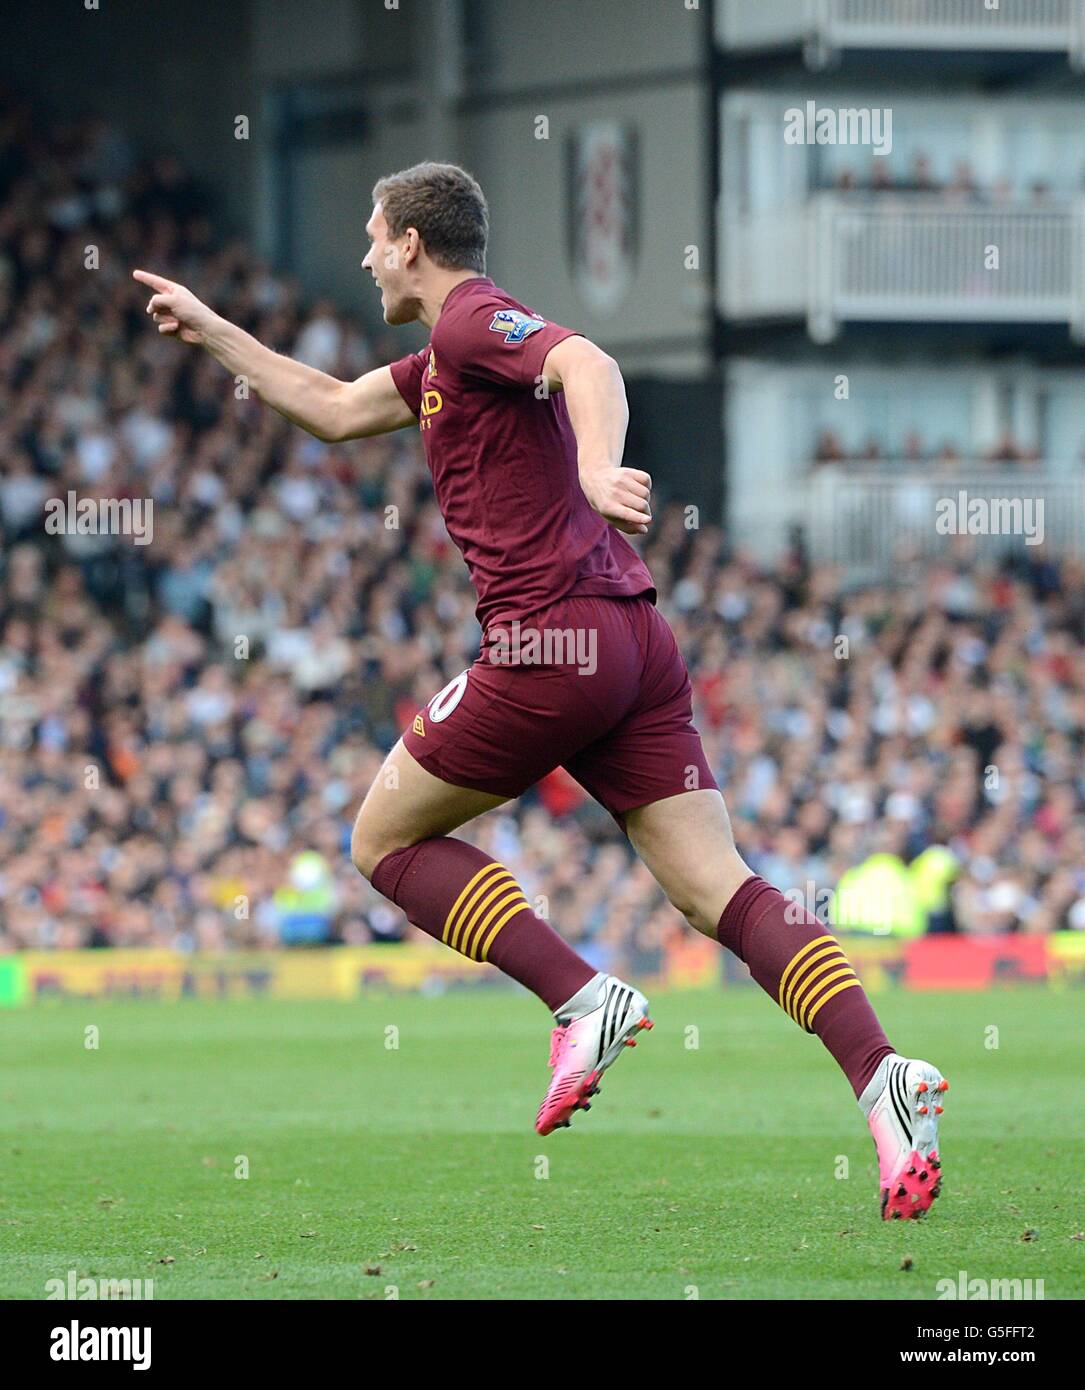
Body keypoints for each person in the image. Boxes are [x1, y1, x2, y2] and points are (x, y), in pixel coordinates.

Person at [134, 161, 948, 1218]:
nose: (364, 255)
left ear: (413, 244)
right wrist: (210, 329)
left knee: (381, 844)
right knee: (716, 888)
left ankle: (582, 996)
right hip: (632, 640)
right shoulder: (442, 359)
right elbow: (331, 408)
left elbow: (587, 360)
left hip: (547, 643)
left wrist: (595, 470)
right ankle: (883, 1079)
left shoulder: (473, 320)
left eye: (373, 235)